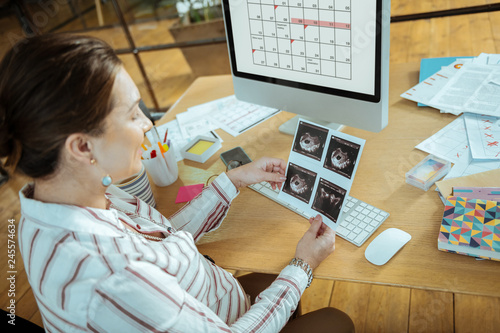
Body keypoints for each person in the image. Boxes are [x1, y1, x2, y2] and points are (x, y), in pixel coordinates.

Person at [0, 33, 354, 332]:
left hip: (210, 299)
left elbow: (160, 240)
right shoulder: (113, 278)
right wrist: (303, 265)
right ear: (81, 146)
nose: (147, 125)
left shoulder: (63, 193)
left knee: (281, 290)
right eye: (133, 113)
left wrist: (234, 180)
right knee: (336, 320)